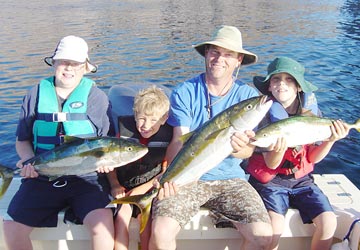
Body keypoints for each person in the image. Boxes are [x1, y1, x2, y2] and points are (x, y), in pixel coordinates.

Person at [149, 25, 273, 250]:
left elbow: (247, 151)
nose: (219, 58)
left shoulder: (248, 96)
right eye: (214, 51)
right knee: (160, 232)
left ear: (238, 61)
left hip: (231, 179)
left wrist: (239, 147)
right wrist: (168, 177)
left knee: (264, 236)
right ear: (206, 54)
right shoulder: (184, 92)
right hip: (189, 181)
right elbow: (179, 140)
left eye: (228, 54)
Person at [3, 35, 115, 250]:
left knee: (103, 229)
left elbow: (107, 142)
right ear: (53, 63)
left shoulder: (97, 98)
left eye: (75, 64)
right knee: (11, 229)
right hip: (41, 178)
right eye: (63, 62)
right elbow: (22, 141)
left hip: (87, 179)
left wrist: (107, 163)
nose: (68, 68)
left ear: (85, 67)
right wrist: (28, 162)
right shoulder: (34, 94)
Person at [246, 56, 350, 250]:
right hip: (271, 182)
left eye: (289, 79)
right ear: (269, 86)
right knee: (274, 228)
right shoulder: (262, 116)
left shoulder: (312, 114)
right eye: (276, 79)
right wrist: (279, 149)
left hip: (302, 181)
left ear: (299, 87)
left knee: (329, 222)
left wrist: (331, 139)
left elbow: (312, 158)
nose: (281, 84)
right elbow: (270, 165)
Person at [107, 85, 171, 250]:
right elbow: (110, 163)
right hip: (124, 187)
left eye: (153, 120)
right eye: (142, 118)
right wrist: (114, 184)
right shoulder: (123, 133)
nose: (146, 125)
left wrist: (141, 190)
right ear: (135, 115)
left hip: (150, 189)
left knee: (146, 222)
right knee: (122, 216)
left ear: (164, 119)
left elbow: (165, 172)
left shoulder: (168, 137)